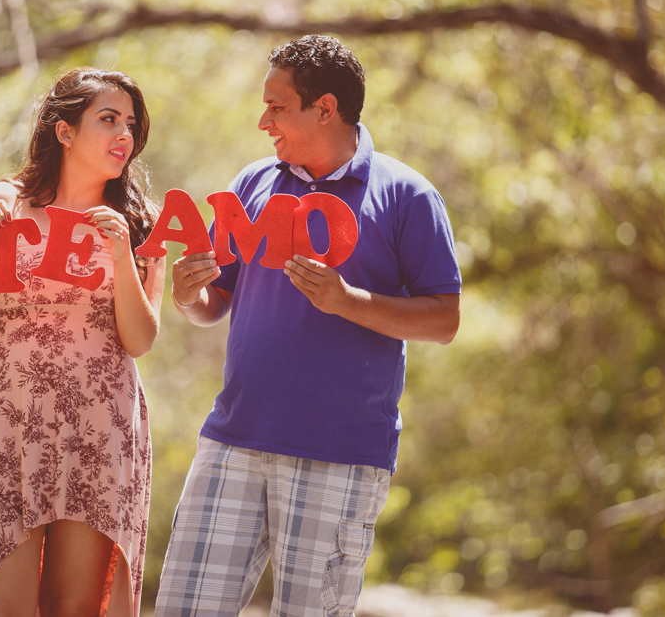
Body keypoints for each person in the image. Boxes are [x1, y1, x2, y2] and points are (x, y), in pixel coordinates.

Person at [156, 35, 462, 617]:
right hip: (232, 439)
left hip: (340, 451)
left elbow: (444, 320)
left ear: (325, 108)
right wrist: (188, 296)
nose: (262, 120)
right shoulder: (254, 183)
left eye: (276, 106)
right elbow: (211, 305)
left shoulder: (407, 195)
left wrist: (348, 301)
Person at [0, 68, 165, 617]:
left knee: (77, 602)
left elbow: (139, 339)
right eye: (108, 119)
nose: (124, 136)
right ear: (64, 132)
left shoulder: (139, 227)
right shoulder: (6, 205)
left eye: (131, 125)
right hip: (8, 415)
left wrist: (118, 254)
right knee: (3, 596)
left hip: (99, 420)